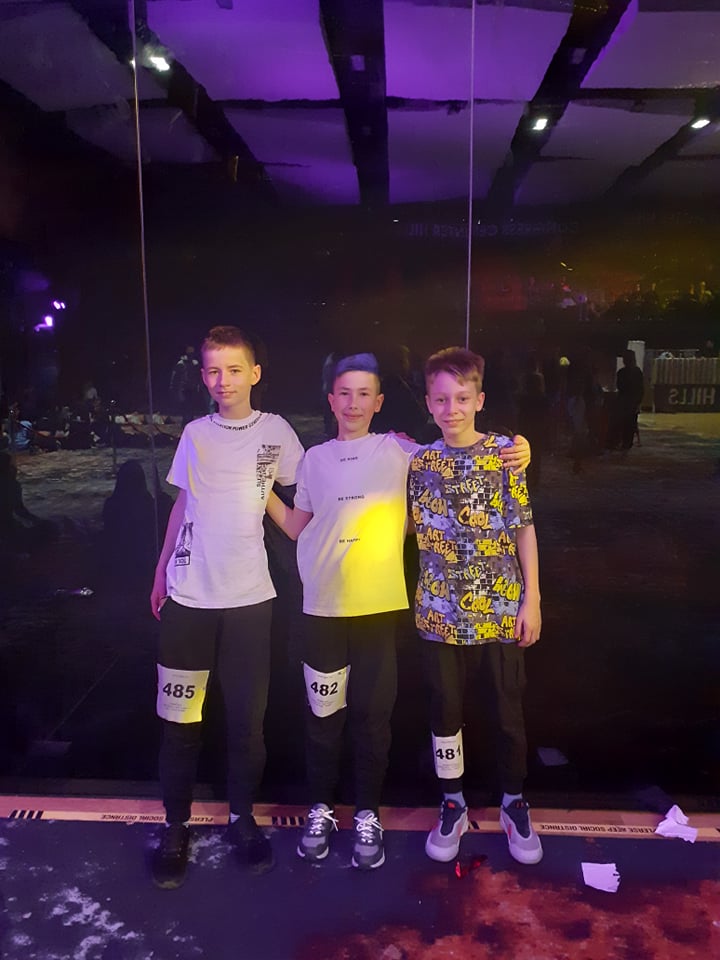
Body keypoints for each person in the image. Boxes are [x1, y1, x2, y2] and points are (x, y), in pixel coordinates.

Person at [265, 353, 531, 871]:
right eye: (345, 393)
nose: (354, 403)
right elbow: (297, 526)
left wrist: (520, 448)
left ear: (380, 402)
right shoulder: (314, 459)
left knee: (373, 717)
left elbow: (463, 448)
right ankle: (321, 807)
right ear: (330, 400)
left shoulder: (404, 452)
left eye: (364, 394)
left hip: (381, 610)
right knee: (322, 715)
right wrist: (257, 492)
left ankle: (369, 813)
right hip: (321, 610)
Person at [149, 325, 304, 890]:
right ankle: (175, 826)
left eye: (234, 369)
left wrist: (397, 451)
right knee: (179, 722)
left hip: (249, 603)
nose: (224, 381)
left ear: (254, 373)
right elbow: (183, 504)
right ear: (203, 376)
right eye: (213, 371)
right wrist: (161, 569)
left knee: (246, 724)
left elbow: (305, 498)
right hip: (189, 600)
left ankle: (243, 820)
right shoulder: (195, 433)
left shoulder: (277, 431)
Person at [408, 347, 543, 867]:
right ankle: (453, 801)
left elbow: (524, 527)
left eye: (462, 398)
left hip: (501, 608)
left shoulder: (506, 455)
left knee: (508, 710)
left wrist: (532, 598)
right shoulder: (419, 461)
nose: (452, 409)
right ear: (428, 403)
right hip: (439, 613)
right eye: (441, 399)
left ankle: (513, 801)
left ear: (480, 399)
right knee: (445, 712)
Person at [614, 349, 644, 453]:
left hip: (624, 401)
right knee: (631, 423)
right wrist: (638, 402)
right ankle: (627, 444)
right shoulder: (637, 372)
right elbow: (641, 389)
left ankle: (624, 443)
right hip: (632, 401)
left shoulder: (621, 372)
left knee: (624, 423)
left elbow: (619, 387)